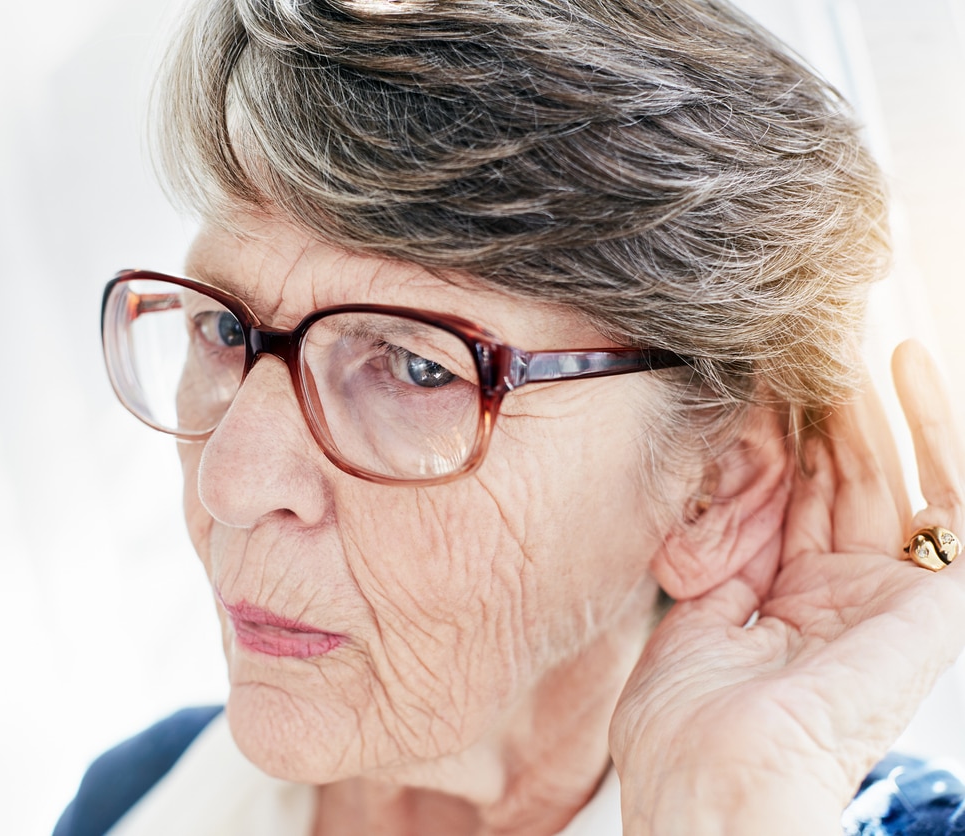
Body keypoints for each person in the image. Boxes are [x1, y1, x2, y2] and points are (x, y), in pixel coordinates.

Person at [56, 0, 965, 832]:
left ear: (714, 490)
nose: (230, 482)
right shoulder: (132, 795)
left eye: (418, 368)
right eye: (223, 329)